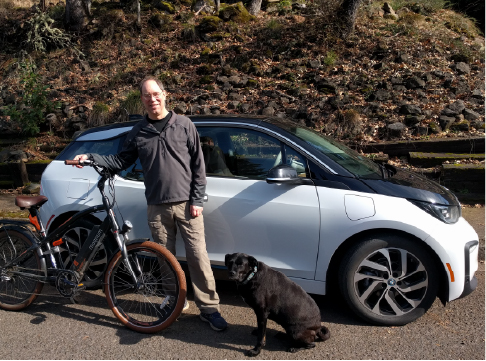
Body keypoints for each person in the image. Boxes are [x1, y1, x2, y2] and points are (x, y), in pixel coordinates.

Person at [72, 76, 227, 331]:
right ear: (142, 100)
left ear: (165, 95)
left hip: (188, 205)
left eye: (156, 94)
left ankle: (209, 308)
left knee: (198, 256)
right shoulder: (139, 132)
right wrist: (90, 157)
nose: (152, 99)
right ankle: (175, 299)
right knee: (165, 258)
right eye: (147, 95)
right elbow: (120, 161)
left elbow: (199, 166)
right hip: (157, 206)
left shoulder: (184, 125)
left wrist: (197, 199)